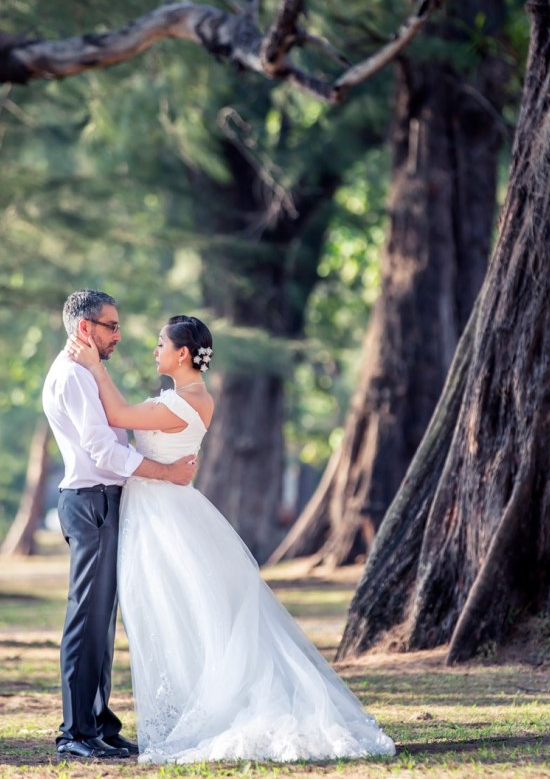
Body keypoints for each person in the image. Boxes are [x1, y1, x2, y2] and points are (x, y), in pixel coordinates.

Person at [65, 314, 396, 764]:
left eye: (161, 344)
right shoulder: (183, 396)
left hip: (164, 515)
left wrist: (94, 366)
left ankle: (202, 706)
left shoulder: (186, 402)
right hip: (154, 510)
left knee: (177, 613)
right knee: (166, 613)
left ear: (182, 354)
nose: (154, 350)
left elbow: (118, 415)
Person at [43, 290, 198, 761]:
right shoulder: (72, 376)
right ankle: (75, 732)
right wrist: (168, 474)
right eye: (111, 326)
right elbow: (104, 453)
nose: (119, 334)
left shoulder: (86, 373)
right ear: (85, 328)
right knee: (86, 619)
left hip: (104, 500)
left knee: (102, 620)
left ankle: (100, 725)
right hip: (90, 502)